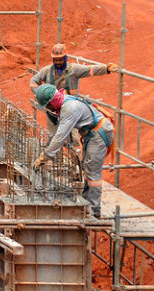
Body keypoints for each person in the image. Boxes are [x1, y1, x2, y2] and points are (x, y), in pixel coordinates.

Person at [32, 84, 112, 218]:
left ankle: (94, 211)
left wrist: (45, 156)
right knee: (87, 169)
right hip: (92, 133)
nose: (48, 109)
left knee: (93, 172)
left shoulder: (69, 108)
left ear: (53, 101)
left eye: (48, 105)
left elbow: (60, 136)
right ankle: (86, 202)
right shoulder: (64, 103)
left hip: (99, 133)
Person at [30, 43, 118, 135]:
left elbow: (89, 69)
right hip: (53, 113)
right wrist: (41, 95)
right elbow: (33, 82)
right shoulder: (47, 71)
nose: (58, 62)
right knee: (53, 135)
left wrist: (106, 68)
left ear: (65, 58)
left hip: (71, 111)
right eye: (56, 60)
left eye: (60, 59)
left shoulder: (74, 69)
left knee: (73, 139)